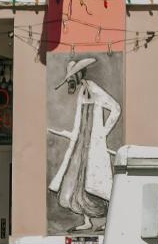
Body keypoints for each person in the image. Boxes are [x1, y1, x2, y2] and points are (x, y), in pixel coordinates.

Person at [48, 57, 122, 232]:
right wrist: (74, 136)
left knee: (100, 181)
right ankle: (87, 220)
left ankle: (108, 219)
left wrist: (103, 132)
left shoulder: (94, 89)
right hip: (82, 140)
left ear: (80, 74)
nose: (71, 81)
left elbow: (116, 108)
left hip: (93, 142)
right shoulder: (82, 92)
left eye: (73, 77)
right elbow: (79, 119)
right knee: (76, 179)